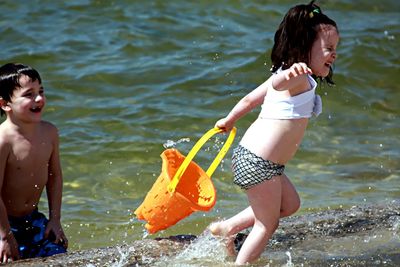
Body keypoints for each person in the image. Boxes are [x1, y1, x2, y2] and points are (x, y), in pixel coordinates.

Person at [209, 1, 339, 265]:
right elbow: (279, 85)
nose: (334, 54)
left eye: (336, 49)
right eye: (328, 49)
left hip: (262, 163)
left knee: (290, 205)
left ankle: (227, 228)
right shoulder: (293, 77)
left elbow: (249, 100)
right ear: (304, 47)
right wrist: (291, 72)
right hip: (259, 164)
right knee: (266, 225)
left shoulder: (294, 77)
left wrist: (230, 120)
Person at [0, 63, 68, 263]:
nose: (39, 99)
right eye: (28, 94)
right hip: (3, 224)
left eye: (41, 91)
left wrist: (55, 219)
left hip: (33, 219)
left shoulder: (49, 132)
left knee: (59, 253)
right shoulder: (3, 141)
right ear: (5, 104)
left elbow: (55, 177)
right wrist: (4, 236)